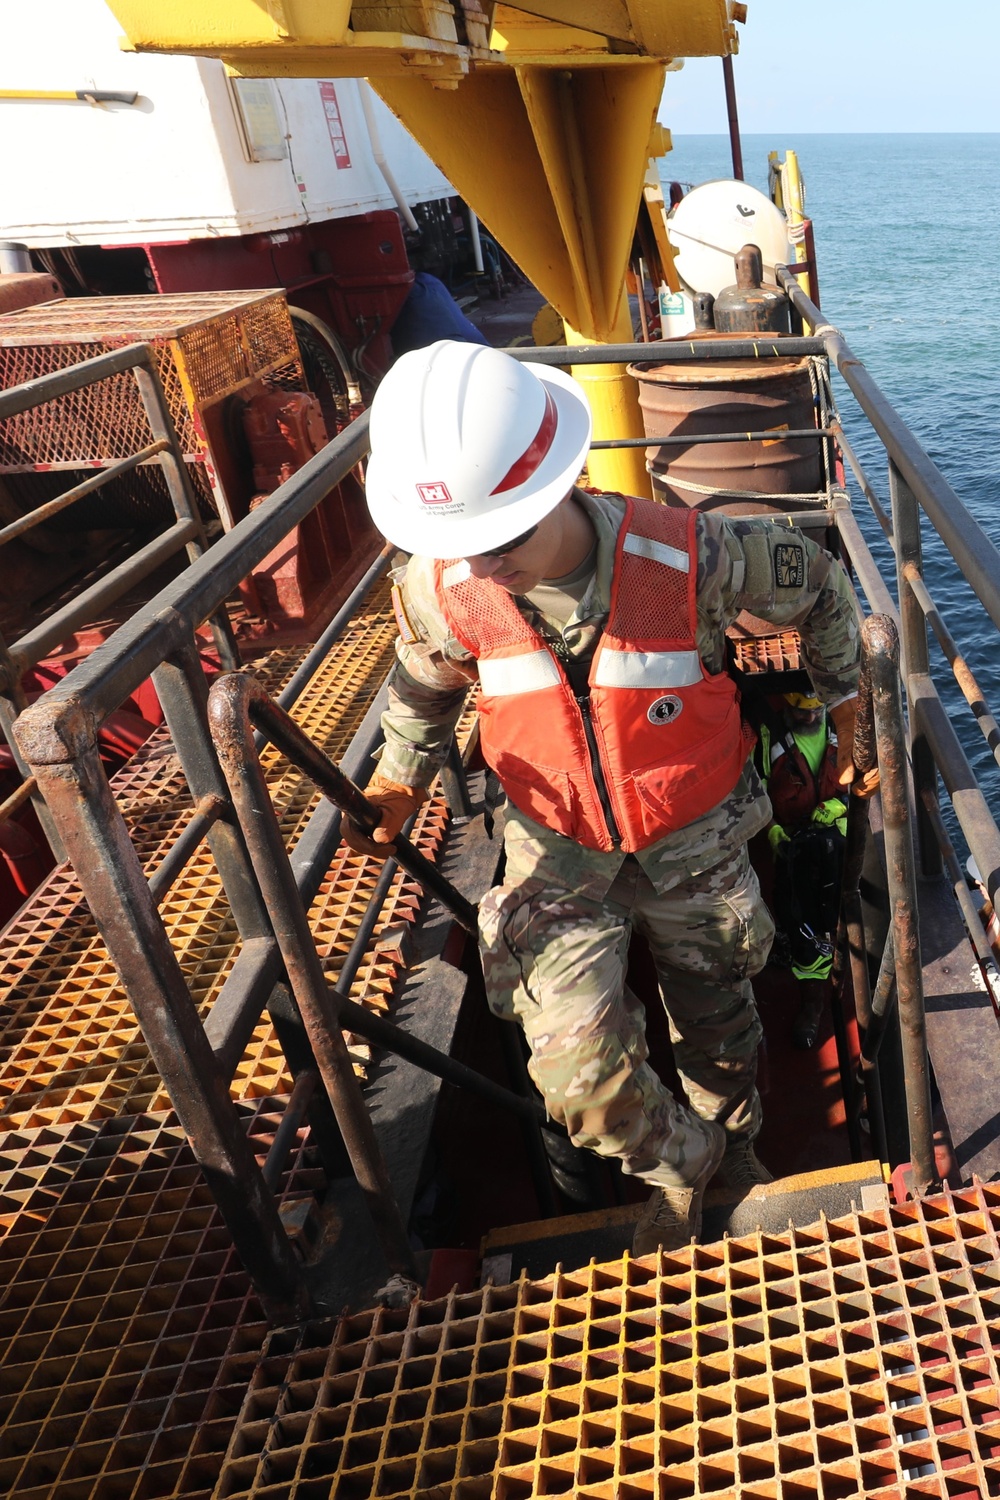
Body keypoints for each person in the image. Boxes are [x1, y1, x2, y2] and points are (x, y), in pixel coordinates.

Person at [344, 339, 861, 1255]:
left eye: (501, 541)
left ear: (561, 478)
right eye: (456, 547)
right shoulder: (444, 587)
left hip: (695, 835)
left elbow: (821, 591)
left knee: (721, 1025)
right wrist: (396, 776)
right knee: (580, 1075)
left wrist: (846, 705)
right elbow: (423, 685)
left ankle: (732, 1154)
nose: (482, 571)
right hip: (556, 851)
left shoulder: (696, 557)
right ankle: (682, 1166)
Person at [759, 692, 848, 1050]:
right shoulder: (766, 736)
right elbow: (751, 789)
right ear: (787, 706)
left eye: (817, 712)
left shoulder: (843, 725)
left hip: (838, 836)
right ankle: (812, 1000)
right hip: (792, 841)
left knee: (840, 905)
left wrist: (841, 807)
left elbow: (868, 777)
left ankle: (847, 963)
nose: (811, 719)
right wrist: (771, 829)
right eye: (802, 712)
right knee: (798, 912)